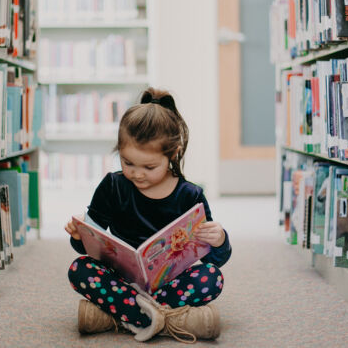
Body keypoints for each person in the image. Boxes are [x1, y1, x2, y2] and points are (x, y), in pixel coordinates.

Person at [65, 88, 232, 343]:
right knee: (80, 270)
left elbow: (215, 259)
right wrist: (80, 235)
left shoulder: (190, 196)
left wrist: (219, 239)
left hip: (170, 284)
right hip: (120, 280)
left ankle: (122, 315)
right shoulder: (113, 186)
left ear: (172, 154)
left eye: (149, 166)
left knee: (211, 278)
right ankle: (167, 319)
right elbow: (86, 249)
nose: (137, 174)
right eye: (127, 163)